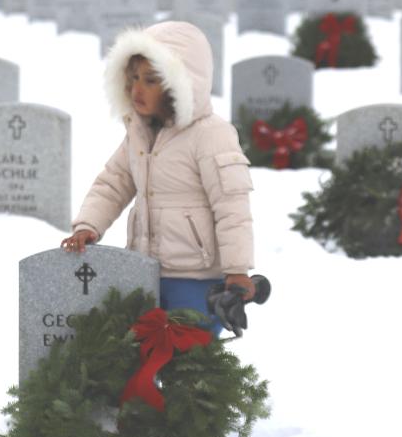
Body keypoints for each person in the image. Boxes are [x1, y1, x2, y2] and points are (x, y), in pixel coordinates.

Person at [61, 21, 256, 331]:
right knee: (145, 353)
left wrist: (236, 269)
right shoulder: (139, 132)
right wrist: (88, 225)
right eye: (134, 78)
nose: (137, 89)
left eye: (151, 80)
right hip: (144, 269)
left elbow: (232, 206)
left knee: (189, 356)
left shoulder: (210, 135)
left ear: (180, 84)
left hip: (196, 276)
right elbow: (114, 182)